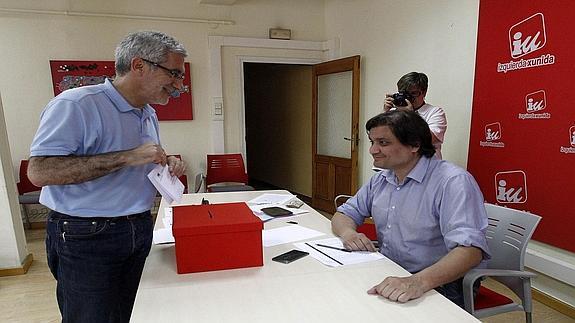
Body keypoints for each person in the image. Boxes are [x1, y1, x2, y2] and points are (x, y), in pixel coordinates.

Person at [27, 31, 188, 323]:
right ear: (139, 65)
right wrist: (126, 156)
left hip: (138, 226)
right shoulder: (76, 104)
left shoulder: (148, 112)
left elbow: (141, 160)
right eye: (174, 73)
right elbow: (40, 172)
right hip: (85, 235)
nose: (179, 84)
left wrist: (167, 162)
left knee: (133, 313)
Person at [331, 110, 489, 307]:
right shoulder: (383, 178)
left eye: (383, 143)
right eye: (372, 142)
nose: (372, 150)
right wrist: (348, 233)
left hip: (440, 281)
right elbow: (344, 213)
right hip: (391, 267)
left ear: (415, 145)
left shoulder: (453, 181)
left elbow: (470, 251)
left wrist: (417, 282)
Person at [383, 72, 447, 159]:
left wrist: (411, 115)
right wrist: (385, 113)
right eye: (405, 94)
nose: (409, 98)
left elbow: (430, 139)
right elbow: (381, 138)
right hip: (393, 164)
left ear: (424, 93)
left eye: (413, 93)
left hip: (425, 166)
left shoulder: (435, 112)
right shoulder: (394, 111)